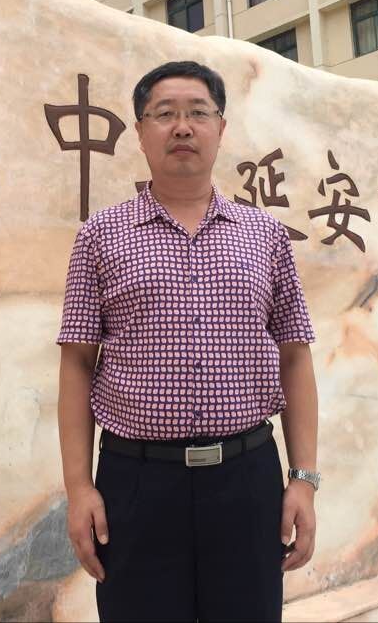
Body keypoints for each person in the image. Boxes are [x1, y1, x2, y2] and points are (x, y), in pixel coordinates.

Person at [56, 61, 319, 622]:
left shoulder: (266, 236)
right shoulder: (99, 236)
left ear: (220, 128)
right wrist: (78, 489)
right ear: (140, 131)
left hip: (246, 480)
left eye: (198, 112)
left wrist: (303, 480)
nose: (182, 126)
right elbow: (77, 362)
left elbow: (295, 357)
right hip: (136, 485)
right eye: (165, 114)